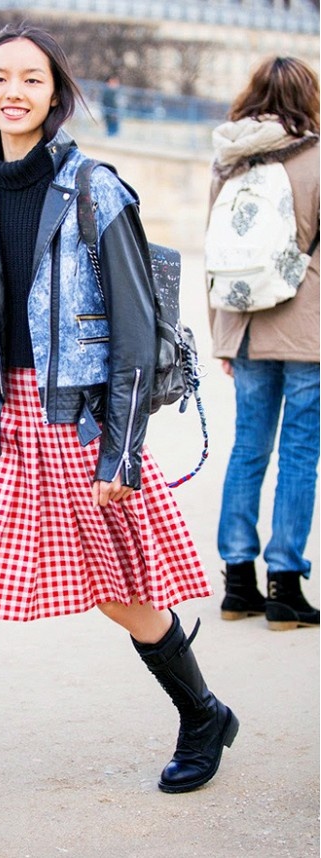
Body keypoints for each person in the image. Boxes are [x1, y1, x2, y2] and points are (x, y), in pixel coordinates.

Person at [0, 25, 238, 851]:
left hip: (74, 422)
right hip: (0, 422)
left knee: (114, 590)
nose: (13, 92)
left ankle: (204, 715)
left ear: (55, 93)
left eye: (31, 78)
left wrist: (119, 451)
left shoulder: (96, 189)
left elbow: (135, 332)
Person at [207, 57, 320, 630]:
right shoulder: (316, 157)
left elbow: (213, 250)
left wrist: (222, 336)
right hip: (307, 329)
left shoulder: (230, 157)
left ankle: (237, 584)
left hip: (244, 323)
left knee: (248, 448)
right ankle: (284, 586)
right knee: (300, 452)